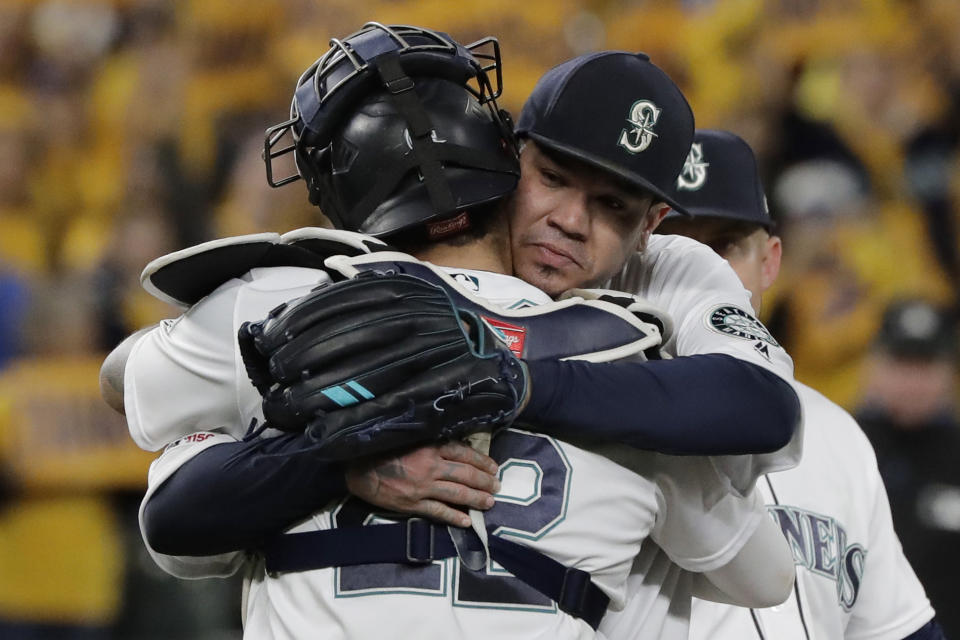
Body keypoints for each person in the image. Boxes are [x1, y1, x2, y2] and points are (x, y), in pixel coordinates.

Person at [104, 25, 801, 638]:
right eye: (553, 177)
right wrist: (347, 453)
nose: (570, 220)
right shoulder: (636, 354)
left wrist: (506, 383)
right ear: (508, 152)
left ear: (651, 225)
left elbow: (765, 406)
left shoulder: (287, 295)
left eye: (613, 206)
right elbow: (766, 574)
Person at [627, 129, 943, 639]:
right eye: (676, 244)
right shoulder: (591, 421)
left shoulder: (836, 434)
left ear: (770, 261)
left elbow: (895, 627)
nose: (703, 269)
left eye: (725, 246)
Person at [856, 298, 960, 637]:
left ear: (948, 370)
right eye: (901, 363)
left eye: (926, 364)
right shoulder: (844, 445)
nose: (913, 381)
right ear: (874, 364)